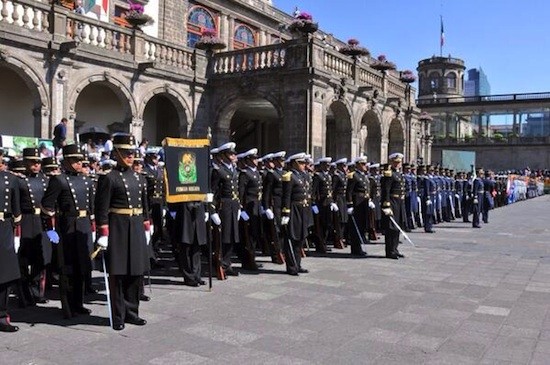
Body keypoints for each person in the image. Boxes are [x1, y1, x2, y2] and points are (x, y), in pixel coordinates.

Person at [94, 133, 151, 331]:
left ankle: (132, 312)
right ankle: (118, 315)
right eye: (126, 153)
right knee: (118, 273)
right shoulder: (109, 178)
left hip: (135, 226)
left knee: (135, 272)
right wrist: (103, 233)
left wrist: (146, 225)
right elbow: (101, 208)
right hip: (117, 227)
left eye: (132, 153)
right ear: (117, 153)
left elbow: (144, 205)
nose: (130, 157)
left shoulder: (138, 178)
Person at [41, 144, 94, 318]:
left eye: (80, 160)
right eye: (74, 160)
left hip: (83, 224)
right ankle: (68, 306)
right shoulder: (59, 180)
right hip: (67, 225)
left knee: (82, 267)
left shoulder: (86, 180)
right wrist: (49, 229)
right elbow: (47, 207)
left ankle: (78, 303)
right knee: (68, 268)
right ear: (66, 161)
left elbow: (91, 206)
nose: (78, 163)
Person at [17, 147, 51, 306]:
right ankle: (24, 294)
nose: (36, 165)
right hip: (25, 220)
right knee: (23, 260)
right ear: (25, 162)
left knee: (41, 259)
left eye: (38, 162)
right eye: (33, 162)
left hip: (41, 221)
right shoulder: (19, 180)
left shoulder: (45, 180)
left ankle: (37, 292)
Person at [210, 142, 240, 277]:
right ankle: (220, 263)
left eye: (233, 153)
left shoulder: (234, 170)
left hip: (233, 205)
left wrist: (238, 207)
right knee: (223, 237)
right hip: (224, 207)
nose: (233, 156)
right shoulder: (218, 171)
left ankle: (227, 263)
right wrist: (212, 211)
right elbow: (213, 192)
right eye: (230, 154)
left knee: (232, 236)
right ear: (223, 155)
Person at [0, 150, 22, 332]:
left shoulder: (11, 179)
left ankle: (1, 315)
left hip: (4, 226)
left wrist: (16, 234)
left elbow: (17, 209)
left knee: (4, 273)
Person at [281, 153, 311, 275]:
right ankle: (291, 266)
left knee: (300, 239)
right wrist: (286, 213)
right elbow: (286, 196)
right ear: (295, 163)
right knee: (292, 238)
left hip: (303, 209)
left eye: (304, 163)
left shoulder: (303, 176)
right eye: (302, 163)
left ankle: (297, 264)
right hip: (294, 210)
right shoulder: (289, 176)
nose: (304, 165)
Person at [380, 152, 407, 259]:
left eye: (399, 162)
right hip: (392, 202)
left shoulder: (399, 174)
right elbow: (386, 190)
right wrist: (386, 205)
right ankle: (390, 251)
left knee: (397, 227)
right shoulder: (389, 174)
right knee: (390, 228)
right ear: (391, 162)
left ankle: (395, 249)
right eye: (395, 162)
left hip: (399, 203)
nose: (397, 164)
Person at [345, 156, 372, 256]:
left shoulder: (363, 176)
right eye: (363, 164)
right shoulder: (353, 175)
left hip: (363, 203)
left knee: (361, 226)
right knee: (355, 227)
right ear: (358, 165)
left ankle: (358, 246)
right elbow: (349, 191)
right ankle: (355, 248)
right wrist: (350, 204)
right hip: (356, 203)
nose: (365, 166)